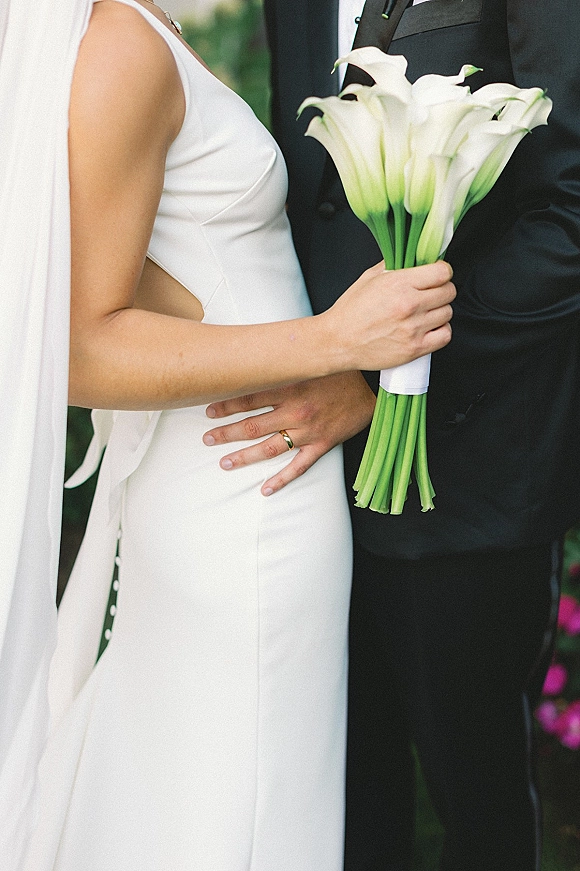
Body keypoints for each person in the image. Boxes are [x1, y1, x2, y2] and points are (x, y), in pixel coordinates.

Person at [0, 0, 456, 868]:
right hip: (242, 497)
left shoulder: (135, 29)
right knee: (243, 809)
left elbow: (155, 272)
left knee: (206, 796)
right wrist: (335, 340)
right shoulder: (123, 47)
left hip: (229, 473)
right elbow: (83, 349)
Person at [203, 1, 580, 869]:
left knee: (477, 810)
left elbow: (569, 215)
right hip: (305, 481)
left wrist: (382, 380)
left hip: (469, 468)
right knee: (336, 802)